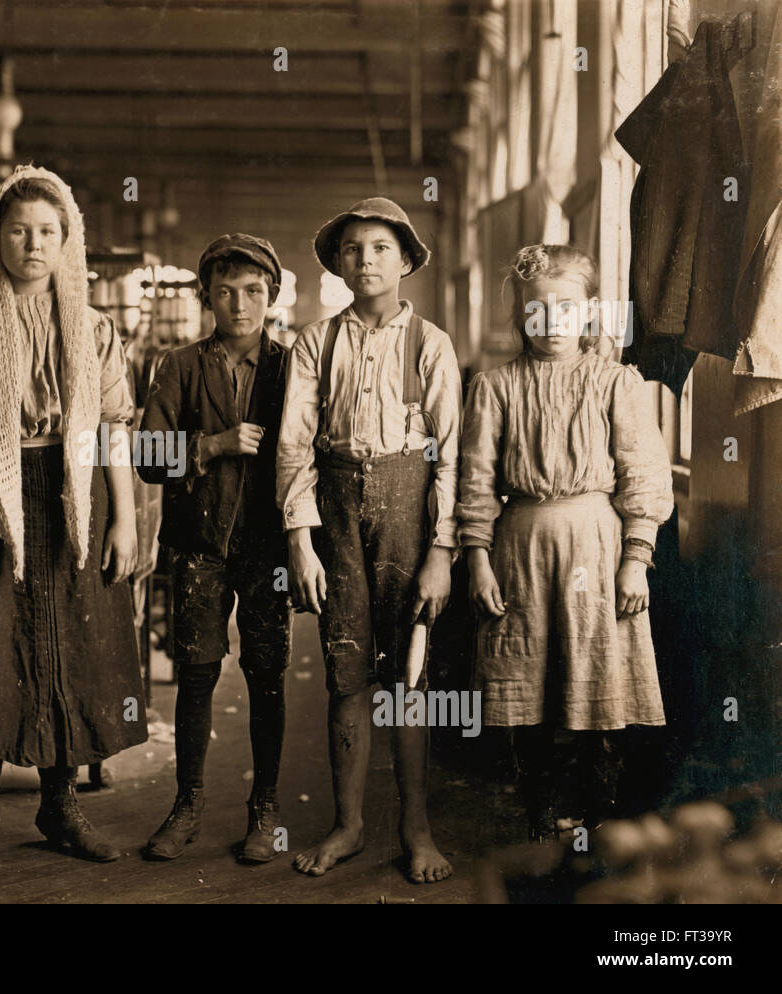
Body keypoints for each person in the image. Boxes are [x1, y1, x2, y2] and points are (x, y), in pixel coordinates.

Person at [0, 165, 148, 870]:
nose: (33, 244)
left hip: (76, 493)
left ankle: (61, 805)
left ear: (67, 239)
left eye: (48, 231)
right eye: (18, 230)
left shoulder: (92, 328)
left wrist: (125, 519)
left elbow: (113, 427)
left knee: (71, 648)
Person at [457, 244, 673, 840]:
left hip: (598, 548)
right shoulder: (495, 387)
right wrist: (477, 560)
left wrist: (637, 558)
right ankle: (541, 823)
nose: (551, 321)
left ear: (590, 313)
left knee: (596, 683)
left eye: (567, 307)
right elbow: (474, 482)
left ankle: (596, 828)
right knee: (527, 694)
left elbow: (645, 475)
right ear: (520, 316)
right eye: (537, 309)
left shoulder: (616, 384)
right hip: (520, 548)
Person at [276, 198, 460, 883]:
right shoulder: (315, 343)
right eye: (353, 249)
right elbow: (294, 447)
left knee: (409, 674)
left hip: (410, 509)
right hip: (337, 509)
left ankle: (416, 828)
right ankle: (349, 825)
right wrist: (300, 537)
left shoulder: (431, 344)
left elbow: (455, 454)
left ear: (405, 259)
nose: (366, 260)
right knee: (345, 669)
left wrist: (442, 550)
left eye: (380, 247)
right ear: (338, 264)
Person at [137, 234, 292, 863]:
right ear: (206, 297)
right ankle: (188, 805)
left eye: (253, 292)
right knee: (196, 675)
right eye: (225, 292)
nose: (239, 305)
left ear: (272, 297)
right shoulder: (177, 366)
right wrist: (213, 444)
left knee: (267, 675)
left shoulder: (292, 366)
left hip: (268, 546)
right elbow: (148, 456)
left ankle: (266, 808)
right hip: (199, 544)